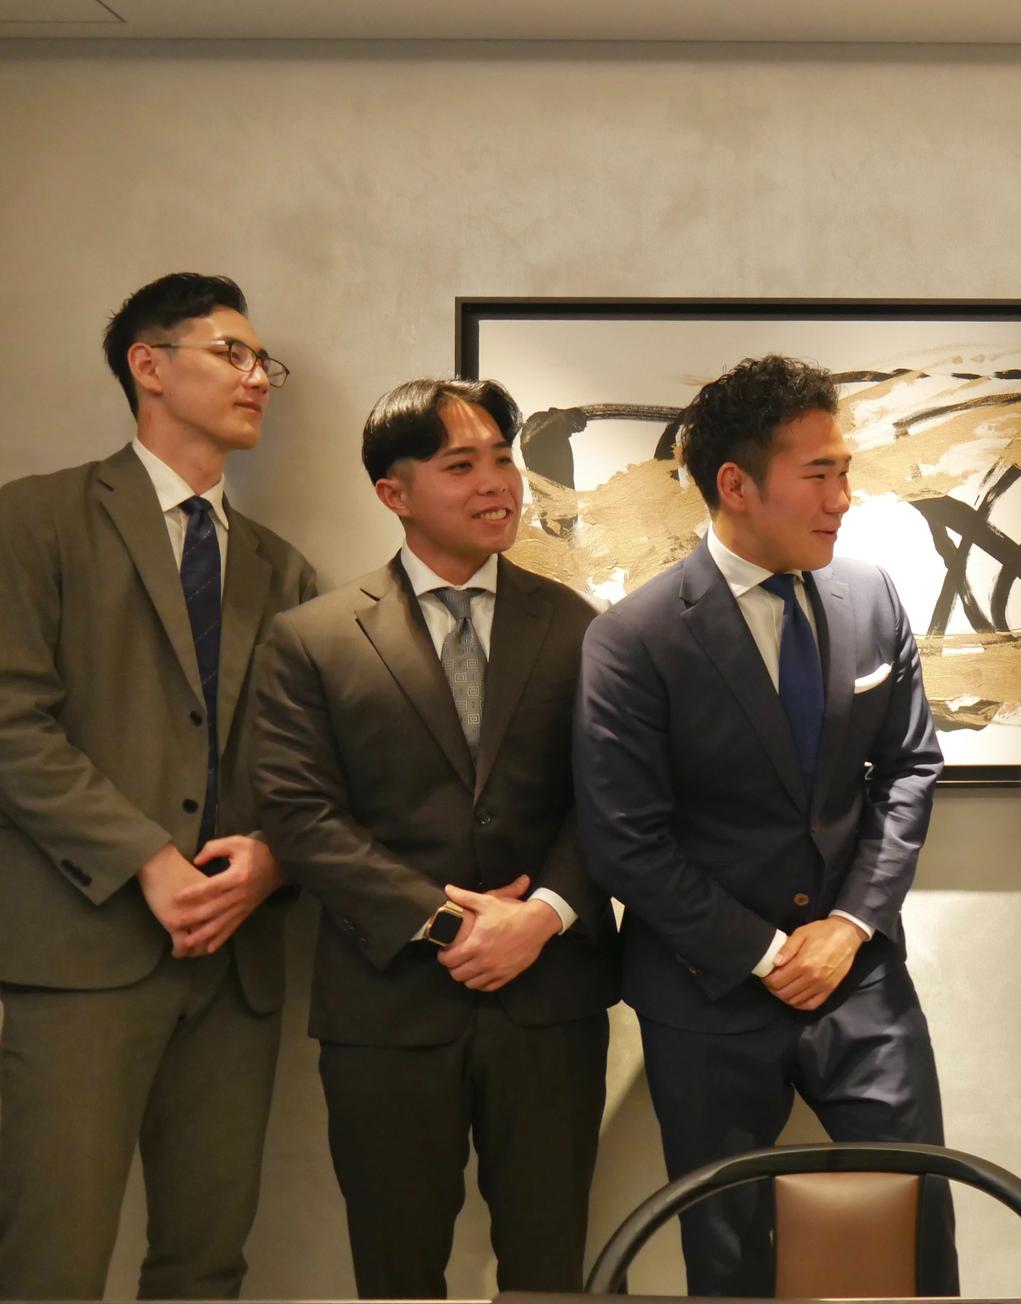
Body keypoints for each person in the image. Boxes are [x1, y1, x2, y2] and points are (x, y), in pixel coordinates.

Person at [574, 355, 955, 1297]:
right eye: (819, 475)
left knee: (913, 1236)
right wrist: (767, 952)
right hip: (705, 991)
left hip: (862, 980)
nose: (842, 500)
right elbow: (625, 840)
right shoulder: (634, 638)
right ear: (736, 485)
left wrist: (849, 926)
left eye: (844, 472)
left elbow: (909, 768)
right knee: (729, 1258)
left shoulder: (871, 595)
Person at [250, 378, 619, 1298]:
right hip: (387, 1008)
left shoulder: (576, 626)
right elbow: (300, 815)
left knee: (549, 1269)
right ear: (394, 492)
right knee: (397, 1270)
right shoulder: (313, 638)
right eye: (461, 465)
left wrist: (542, 915)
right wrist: (449, 924)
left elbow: (609, 799)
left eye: (503, 458)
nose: (498, 483)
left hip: (551, 1001)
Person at [0, 273, 316, 1299]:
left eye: (264, 362)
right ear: (149, 364)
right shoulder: (35, 520)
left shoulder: (282, 568)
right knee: (50, 1257)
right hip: (81, 951)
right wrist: (145, 856)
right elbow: (9, 722)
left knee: (207, 1261)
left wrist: (272, 858)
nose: (257, 378)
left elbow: (311, 763)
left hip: (237, 963)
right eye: (233, 353)